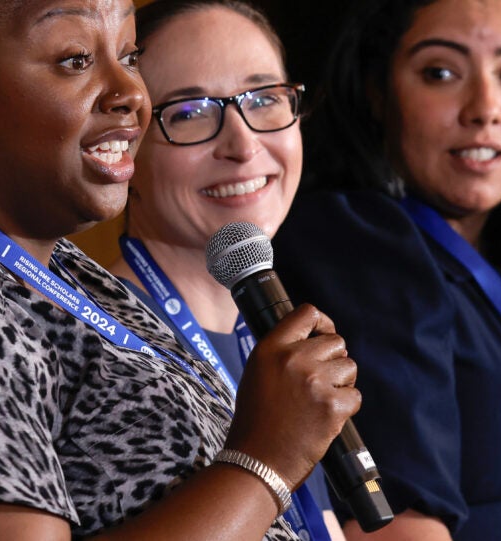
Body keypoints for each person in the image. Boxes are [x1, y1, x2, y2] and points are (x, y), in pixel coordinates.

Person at [0, 1, 358, 539]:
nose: (132, 93)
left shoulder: (55, 269)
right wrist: (263, 464)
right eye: (75, 59)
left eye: (129, 56)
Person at [273, 0, 501, 539]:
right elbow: (392, 526)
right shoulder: (356, 241)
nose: (485, 108)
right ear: (378, 93)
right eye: (441, 73)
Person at [106, 1, 344, 539]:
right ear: (124, 146)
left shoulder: (272, 331)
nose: (242, 144)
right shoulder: (96, 337)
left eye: (264, 100)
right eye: (190, 113)